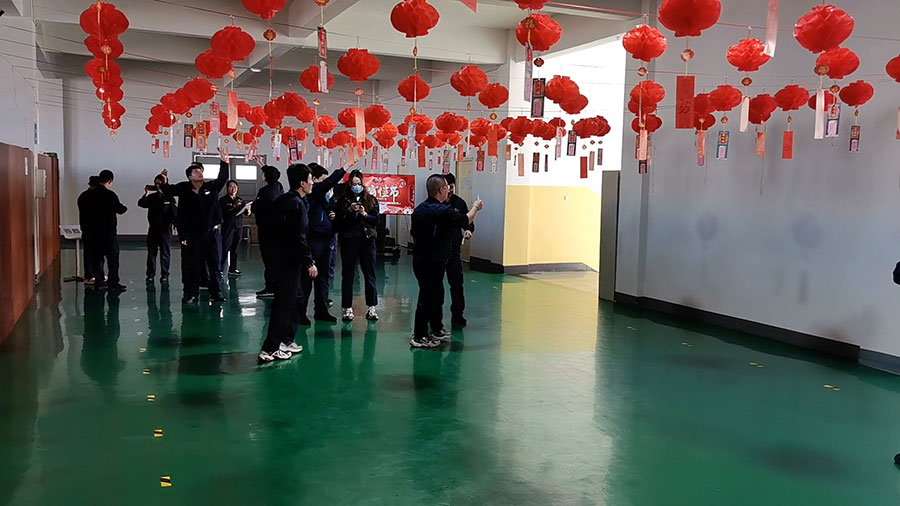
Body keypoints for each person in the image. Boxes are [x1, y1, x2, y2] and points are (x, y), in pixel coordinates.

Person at [409, 175, 483, 348]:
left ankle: (435, 329)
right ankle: (419, 336)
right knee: (427, 297)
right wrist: (475, 207)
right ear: (441, 190)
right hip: (430, 260)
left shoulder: (420, 209)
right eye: (446, 188)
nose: (448, 190)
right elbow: (465, 220)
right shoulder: (440, 211)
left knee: (436, 294)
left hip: (425, 259)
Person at [258, 163, 317, 363]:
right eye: (310, 180)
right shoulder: (296, 204)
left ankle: (285, 340)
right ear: (302, 183)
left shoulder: (284, 200)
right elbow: (298, 237)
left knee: (297, 298)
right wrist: (309, 262)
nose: (312, 183)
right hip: (288, 262)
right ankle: (270, 348)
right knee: (284, 304)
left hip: (280, 259)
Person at [159, 149, 229, 304]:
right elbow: (168, 190)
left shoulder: (211, 187)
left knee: (214, 263)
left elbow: (222, 178)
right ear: (190, 176)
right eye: (196, 172)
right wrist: (164, 180)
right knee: (192, 264)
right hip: (193, 235)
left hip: (212, 233)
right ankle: (191, 293)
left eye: (201, 171)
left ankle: (216, 292)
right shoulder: (184, 188)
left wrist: (224, 163)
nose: (200, 173)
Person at [334, 169, 380, 322]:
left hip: (367, 241)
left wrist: (364, 214)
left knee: (370, 274)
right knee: (348, 275)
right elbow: (339, 221)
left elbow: (376, 219)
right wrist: (349, 211)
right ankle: (347, 308)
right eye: (353, 184)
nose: (356, 186)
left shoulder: (371, 200)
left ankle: (371, 307)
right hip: (349, 241)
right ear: (349, 184)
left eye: (358, 183)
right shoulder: (343, 200)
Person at [305, 163, 346, 322]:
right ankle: (300, 312)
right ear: (315, 180)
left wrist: (335, 216)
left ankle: (321, 310)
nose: (327, 184)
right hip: (313, 240)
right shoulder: (313, 194)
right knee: (308, 277)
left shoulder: (329, 197)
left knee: (323, 278)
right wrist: (343, 169)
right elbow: (328, 183)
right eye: (323, 180)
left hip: (327, 240)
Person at [442, 173, 474, 327]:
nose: (449, 190)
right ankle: (432, 314)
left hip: (454, 250)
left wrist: (468, 230)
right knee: (434, 285)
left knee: (457, 283)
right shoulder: (436, 203)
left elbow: (467, 221)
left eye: (452, 187)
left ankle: (458, 314)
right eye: (446, 187)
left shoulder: (459, 203)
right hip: (437, 251)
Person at [90, 170, 128, 291]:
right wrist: (124, 207)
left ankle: (99, 282)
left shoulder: (87, 195)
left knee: (97, 259)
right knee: (113, 259)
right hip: (108, 233)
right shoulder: (110, 195)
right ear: (110, 181)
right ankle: (113, 283)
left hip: (93, 233)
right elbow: (120, 210)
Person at [138, 174, 177, 284]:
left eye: (160, 183)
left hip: (165, 230)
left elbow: (174, 213)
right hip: (153, 229)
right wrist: (146, 194)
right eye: (156, 183)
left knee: (165, 253)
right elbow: (141, 204)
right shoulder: (152, 197)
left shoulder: (169, 198)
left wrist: (176, 225)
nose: (158, 185)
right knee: (151, 253)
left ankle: (165, 274)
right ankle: (150, 275)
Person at [253, 165, 284, 298]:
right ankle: (277, 286)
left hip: (266, 230)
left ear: (266, 177)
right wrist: (263, 165)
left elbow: (256, 207)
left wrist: (252, 206)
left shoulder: (264, 191)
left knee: (268, 260)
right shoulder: (279, 187)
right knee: (276, 259)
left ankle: (270, 288)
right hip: (278, 229)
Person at [219, 180, 251, 277]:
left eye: (235, 187)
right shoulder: (223, 200)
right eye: (231, 187)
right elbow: (222, 213)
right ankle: (220, 269)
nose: (233, 189)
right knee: (224, 248)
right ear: (227, 188)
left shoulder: (240, 200)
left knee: (235, 249)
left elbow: (246, 213)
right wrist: (233, 207)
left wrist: (248, 210)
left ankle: (233, 269)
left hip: (238, 227)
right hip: (228, 227)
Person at [78, 176, 102, 286]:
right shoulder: (98, 197)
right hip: (97, 228)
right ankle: (96, 274)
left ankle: (89, 274)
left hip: (86, 227)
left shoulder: (83, 196)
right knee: (97, 252)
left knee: (88, 251)